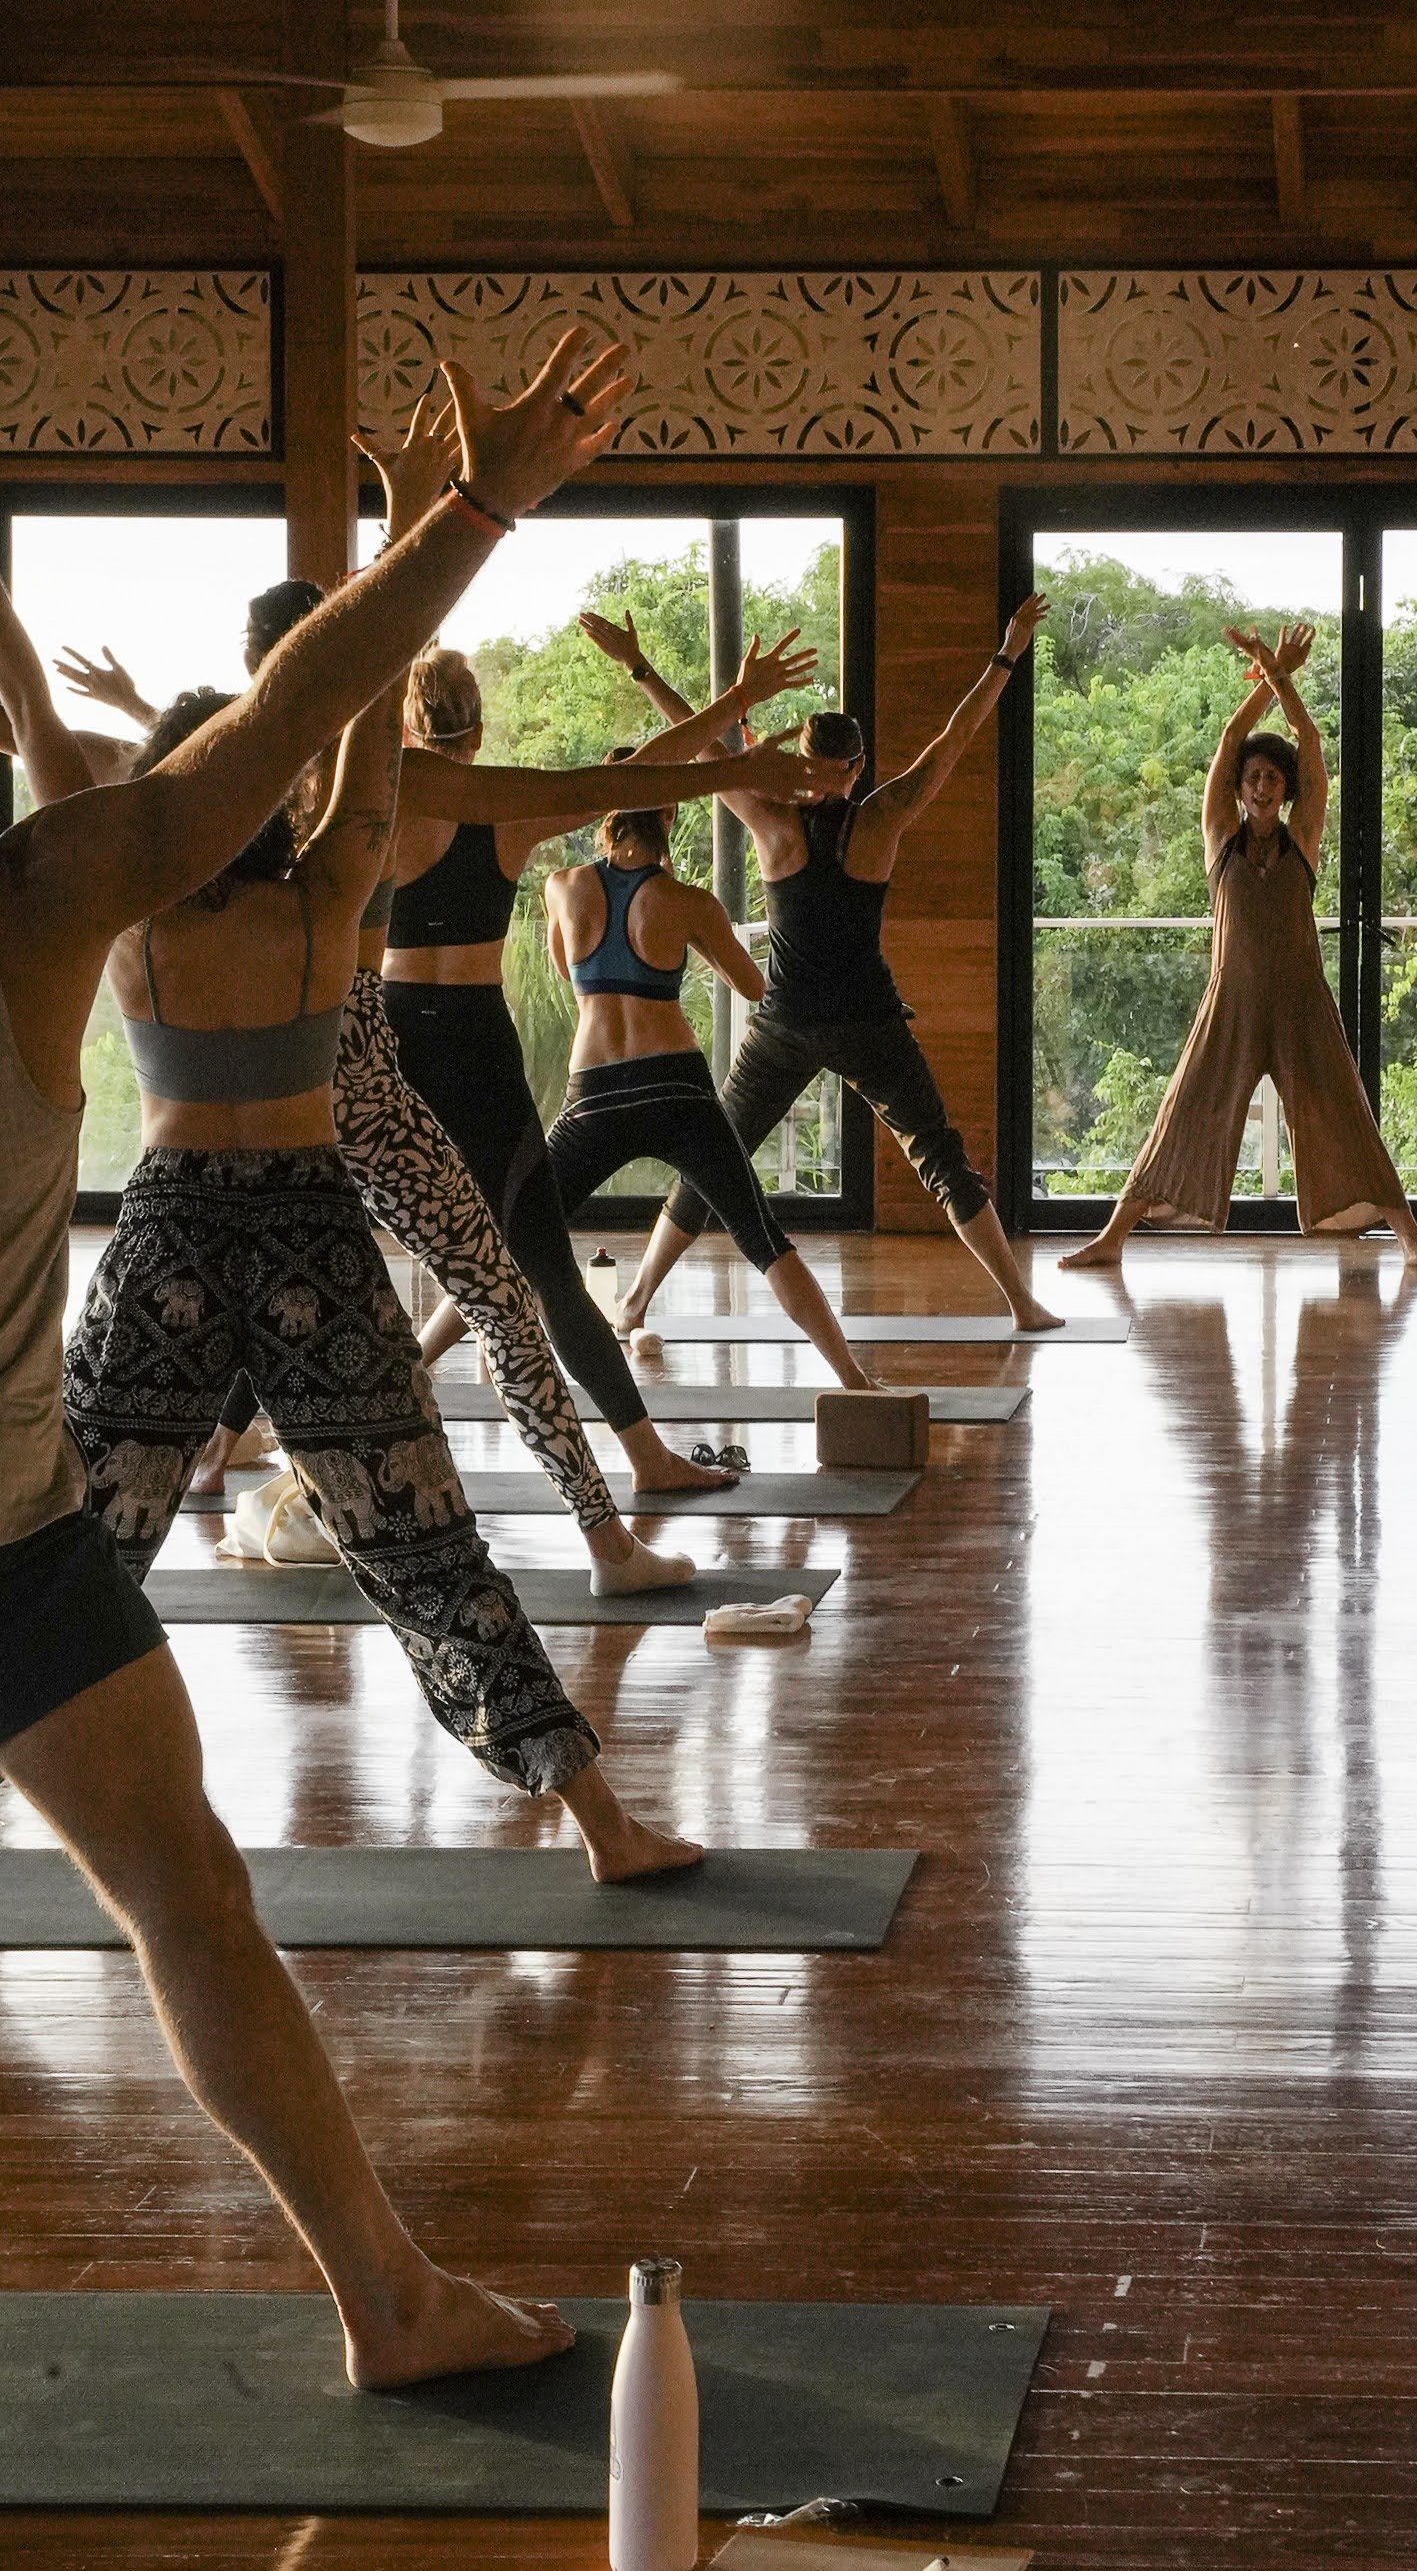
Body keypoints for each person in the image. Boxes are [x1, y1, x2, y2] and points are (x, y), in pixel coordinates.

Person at [0, 329, 625, 2387]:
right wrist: (460, 515)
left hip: (59, 1490)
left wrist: (448, 525)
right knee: (190, 1883)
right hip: (42, 1509)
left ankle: (394, 2297)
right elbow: (287, 734)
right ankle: (390, 2298)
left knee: (200, 1866)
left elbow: (287, 737)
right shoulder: (62, 901)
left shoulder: (72, 900)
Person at [83, 544, 836, 1579]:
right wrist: (736, 758)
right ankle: (607, 1534)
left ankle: (172, 1499)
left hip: (278, 1079)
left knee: (241, 1287)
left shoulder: (240, 774)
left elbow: (125, 766)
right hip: (382, 1062)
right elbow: (610, 781)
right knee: (506, 1301)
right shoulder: (381, 781)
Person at [382, 645, 853, 1447]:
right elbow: (627, 783)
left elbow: (572, 958)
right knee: (725, 1240)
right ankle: (836, 1387)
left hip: (511, 1067)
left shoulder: (540, 875)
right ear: (480, 726)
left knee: (468, 1242)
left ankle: (391, 1380)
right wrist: (735, 701)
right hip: (626, 1073)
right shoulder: (526, 818)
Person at [592, 592, 1060, 1338]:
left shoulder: (770, 817)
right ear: (857, 767)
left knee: (720, 1155)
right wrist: (1007, 652)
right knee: (939, 1156)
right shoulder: (882, 814)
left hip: (789, 1024)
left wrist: (641, 665)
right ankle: (1022, 1305)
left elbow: (701, 746)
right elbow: (955, 736)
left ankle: (637, 1300)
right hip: (866, 1022)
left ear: (810, 764)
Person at [1056, 623, 1417, 1275]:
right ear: (1239, 787)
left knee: (1345, 1112)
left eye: (1273, 777)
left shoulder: (1303, 838)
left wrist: (1282, 679)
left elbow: (1312, 743)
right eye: (1252, 777)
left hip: (1303, 1000)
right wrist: (1263, 676)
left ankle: (1416, 1244)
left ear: (1287, 787)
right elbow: (1225, 742)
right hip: (1233, 1001)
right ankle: (1110, 1240)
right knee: (1185, 1109)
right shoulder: (1221, 838)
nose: (1261, 785)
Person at [524, 795, 875, 1385]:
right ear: (667, 820)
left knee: (517, 1233)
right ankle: (855, 1380)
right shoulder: (689, 903)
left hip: (595, 1092)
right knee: (763, 1238)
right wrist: (697, 939)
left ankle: (422, 1362)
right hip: (675, 1090)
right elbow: (751, 985)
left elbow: (564, 967)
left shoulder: (561, 885)